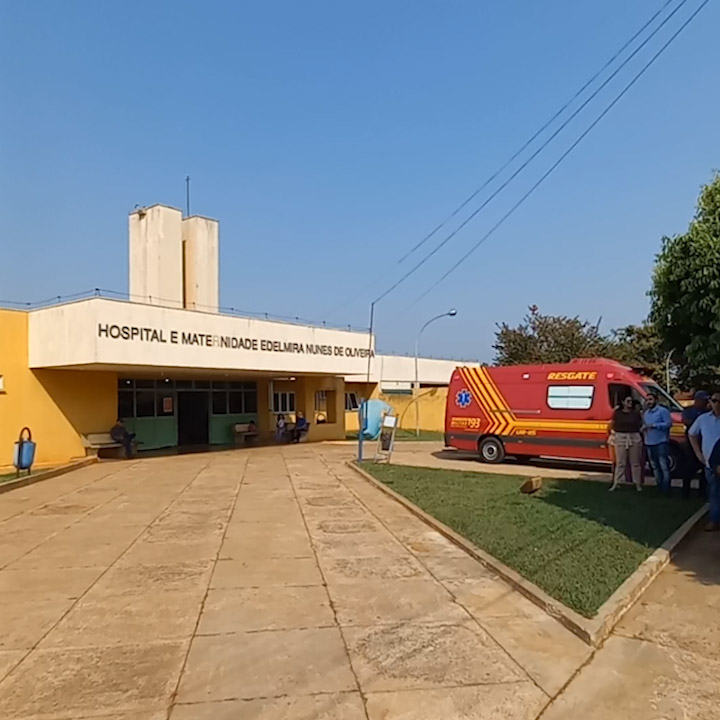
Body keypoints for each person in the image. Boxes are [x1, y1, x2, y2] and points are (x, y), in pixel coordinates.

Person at [688, 392, 720, 531]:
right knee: (714, 492)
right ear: (710, 403)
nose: (717, 404)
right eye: (714, 401)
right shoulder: (703, 419)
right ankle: (714, 520)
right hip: (710, 464)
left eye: (719, 401)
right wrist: (698, 454)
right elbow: (692, 434)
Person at [607, 395, 643, 492]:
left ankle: (637, 484)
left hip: (634, 437)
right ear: (623, 402)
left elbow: (640, 424)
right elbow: (612, 424)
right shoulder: (617, 413)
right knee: (620, 462)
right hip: (621, 437)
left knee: (635, 462)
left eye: (631, 401)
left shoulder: (636, 413)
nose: (630, 403)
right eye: (628, 401)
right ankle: (616, 483)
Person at [643, 393, 673, 494]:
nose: (648, 402)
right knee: (654, 466)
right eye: (647, 400)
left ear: (656, 400)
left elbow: (668, 424)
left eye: (650, 399)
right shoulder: (646, 413)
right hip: (649, 442)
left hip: (661, 442)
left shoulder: (663, 411)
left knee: (663, 466)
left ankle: (666, 489)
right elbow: (646, 425)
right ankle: (659, 487)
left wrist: (655, 425)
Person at [682, 391, 709, 498]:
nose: (706, 402)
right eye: (704, 400)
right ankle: (685, 493)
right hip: (691, 444)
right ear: (697, 400)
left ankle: (702, 493)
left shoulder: (708, 412)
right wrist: (698, 422)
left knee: (704, 470)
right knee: (689, 469)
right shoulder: (689, 410)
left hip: (704, 443)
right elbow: (686, 421)